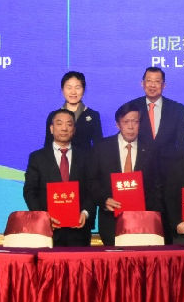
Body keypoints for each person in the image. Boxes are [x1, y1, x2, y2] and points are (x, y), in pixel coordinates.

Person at [89, 102, 161, 246]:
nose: (131, 126)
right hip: (110, 219)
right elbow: (91, 181)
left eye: (135, 122)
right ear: (118, 124)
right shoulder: (102, 147)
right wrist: (104, 200)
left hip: (142, 222)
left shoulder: (151, 148)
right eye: (126, 122)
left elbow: (157, 184)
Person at [23, 109, 93, 247]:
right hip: (48, 231)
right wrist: (43, 217)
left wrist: (85, 213)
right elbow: (30, 191)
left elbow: (92, 189)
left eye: (69, 124)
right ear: (51, 128)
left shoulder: (86, 156)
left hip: (79, 231)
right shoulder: (37, 158)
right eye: (59, 124)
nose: (64, 128)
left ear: (74, 129)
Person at [128, 67, 184, 157]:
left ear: (164, 85)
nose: (152, 85)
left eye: (157, 81)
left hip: (169, 163)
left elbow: (182, 143)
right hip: (139, 162)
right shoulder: (131, 107)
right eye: (149, 81)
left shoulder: (177, 109)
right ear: (142, 83)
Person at [44, 71, 103, 151]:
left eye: (77, 88)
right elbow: (48, 145)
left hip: (86, 159)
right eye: (69, 87)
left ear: (83, 90)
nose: (73, 92)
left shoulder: (93, 115)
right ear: (62, 89)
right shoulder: (53, 115)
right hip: (60, 158)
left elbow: (99, 146)